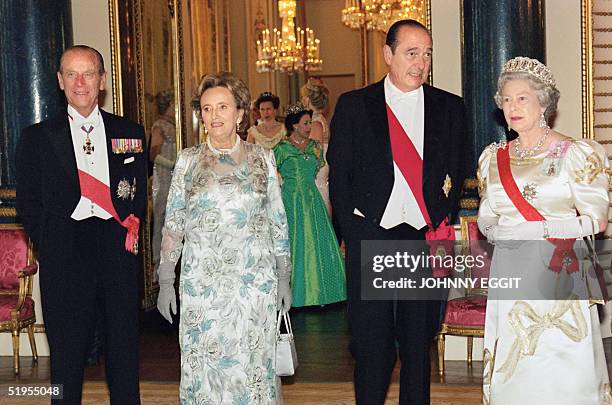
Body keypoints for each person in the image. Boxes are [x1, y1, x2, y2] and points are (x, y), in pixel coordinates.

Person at [327, 19, 469, 404]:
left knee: (417, 345)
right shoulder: (355, 105)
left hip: (421, 238)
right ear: (388, 54)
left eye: (427, 54)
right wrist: (354, 236)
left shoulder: (449, 107)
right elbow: (339, 176)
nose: (420, 63)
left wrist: (438, 218)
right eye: (411, 53)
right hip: (371, 235)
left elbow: (456, 173)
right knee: (372, 346)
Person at [15, 45, 146, 404]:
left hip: (115, 253)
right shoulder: (37, 137)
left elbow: (137, 196)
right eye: (71, 74)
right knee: (66, 360)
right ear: (59, 81)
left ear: (102, 80)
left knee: (122, 353)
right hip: (65, 255)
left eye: (88, 73)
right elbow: (27, 201)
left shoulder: (130, 133)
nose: (80, 82)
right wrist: (51, 240)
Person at [477, 56, 611, 405]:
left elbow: (596, 220)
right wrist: (497, 232)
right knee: (517, 368)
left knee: (560, 367)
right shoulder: (493, 158)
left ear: (544, 103)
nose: (512, 107)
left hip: (559, 271)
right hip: (510, 270)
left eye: (522, 98)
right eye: (506, 99)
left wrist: (541, 228)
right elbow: (486, 216)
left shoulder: (575, 153)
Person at [156, 72, 292, 404]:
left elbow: (278, 220)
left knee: (252, 368)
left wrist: (284, 276)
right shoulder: (187, 161)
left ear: (240, 113)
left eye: (222, 107)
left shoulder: (263, 159)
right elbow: (173, 224)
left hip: (253, 288)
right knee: (204, 370)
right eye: (206, 109)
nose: (214, 116)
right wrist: (164, 279)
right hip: (202, 287)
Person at [274, 102, 346, 307]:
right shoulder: (281, 148)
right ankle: (295, 294)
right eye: (305, 123)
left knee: (318, 243)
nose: (309, 127)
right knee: (295, 243)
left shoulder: (315, 148)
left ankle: (324, 293)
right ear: (295, 125)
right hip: (291, 199)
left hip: (311, 198)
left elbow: (319, 173)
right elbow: (271, 175)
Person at [149, 89, 176, 276]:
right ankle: (157, 263)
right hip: (164, 176)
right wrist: (172, 164)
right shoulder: (160, 125)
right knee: (161, 218)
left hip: (175, 176)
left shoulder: (175, 123)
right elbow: (153, 154)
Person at [301, 78, 332, 215]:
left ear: (307, 100)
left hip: (316, 176)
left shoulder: (316, 123)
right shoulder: (317, 120)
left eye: (302, 98)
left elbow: (312, 156)